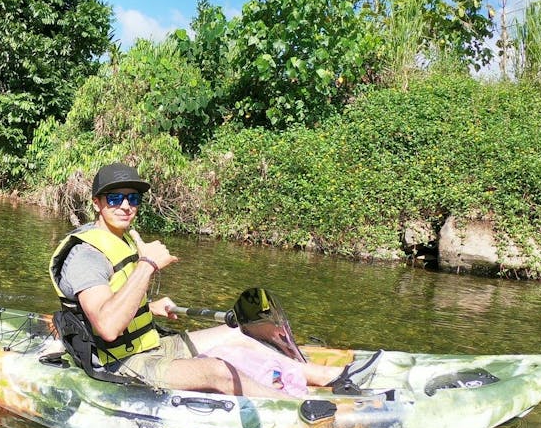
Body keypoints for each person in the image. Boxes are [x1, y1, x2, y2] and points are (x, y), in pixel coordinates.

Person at [48, 162, 352, 398]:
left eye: (133, 198)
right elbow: (107, 327)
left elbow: (118, 297)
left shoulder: (122, 238)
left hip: (149, 344)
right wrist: (148, 264)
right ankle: (291, 406)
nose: (126, 206)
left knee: (238, 332)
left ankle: (326, 377)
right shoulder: (85, 255)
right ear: (97, 203)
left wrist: (149, 308)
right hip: (120, 363)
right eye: (115, 198)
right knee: (216, 372)